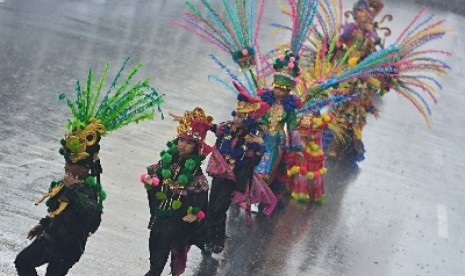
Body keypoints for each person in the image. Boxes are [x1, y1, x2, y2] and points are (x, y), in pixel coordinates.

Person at [14, 61, 164, 276]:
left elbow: (93, 220)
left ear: (86, 167)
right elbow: (58, 211)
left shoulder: (90, 191)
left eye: (74, 163)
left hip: (68, 248)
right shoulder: (66, 182)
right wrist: (43, 224)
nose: (68, 166)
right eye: (68, 162)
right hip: (49, 240)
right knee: (22, 262)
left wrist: (74, 190)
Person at [202, 83, 275, 254]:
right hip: (219, 173)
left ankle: (218, 240)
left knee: (220, 208)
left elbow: (254, 161)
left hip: (233, 178)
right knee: (212, 206)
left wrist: (261, 146)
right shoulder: (227, 127)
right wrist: (201, 122)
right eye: (237, 115)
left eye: (242, 117)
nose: (237, 119)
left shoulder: (251, 138)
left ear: (249, 118)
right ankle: (208, 239)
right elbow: (216, 129)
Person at [141, 108, 211, 276]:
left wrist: (195, 213)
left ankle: (154, 272)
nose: (183, 145)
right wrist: (151, 182)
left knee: (164, 244)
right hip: (160, 211)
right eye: (181, 140)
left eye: (188, 143)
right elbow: (154, 176)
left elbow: (201, 196)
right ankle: (154, 269)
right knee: (154, 240)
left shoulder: (195, 173)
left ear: (195, 147)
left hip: (177, 216)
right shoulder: (166, 162)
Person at [255, 50, 303, 206]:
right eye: (276, 87)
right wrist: (260, 126)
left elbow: (293, 127)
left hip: (276, 142)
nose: (278, 92)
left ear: (288, 91)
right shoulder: (266, 101)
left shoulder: (289, 108)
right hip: (260, 137)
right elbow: (258, 116)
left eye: (282, 89)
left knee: (267, 170)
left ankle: (262, 196)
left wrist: (295, 148)